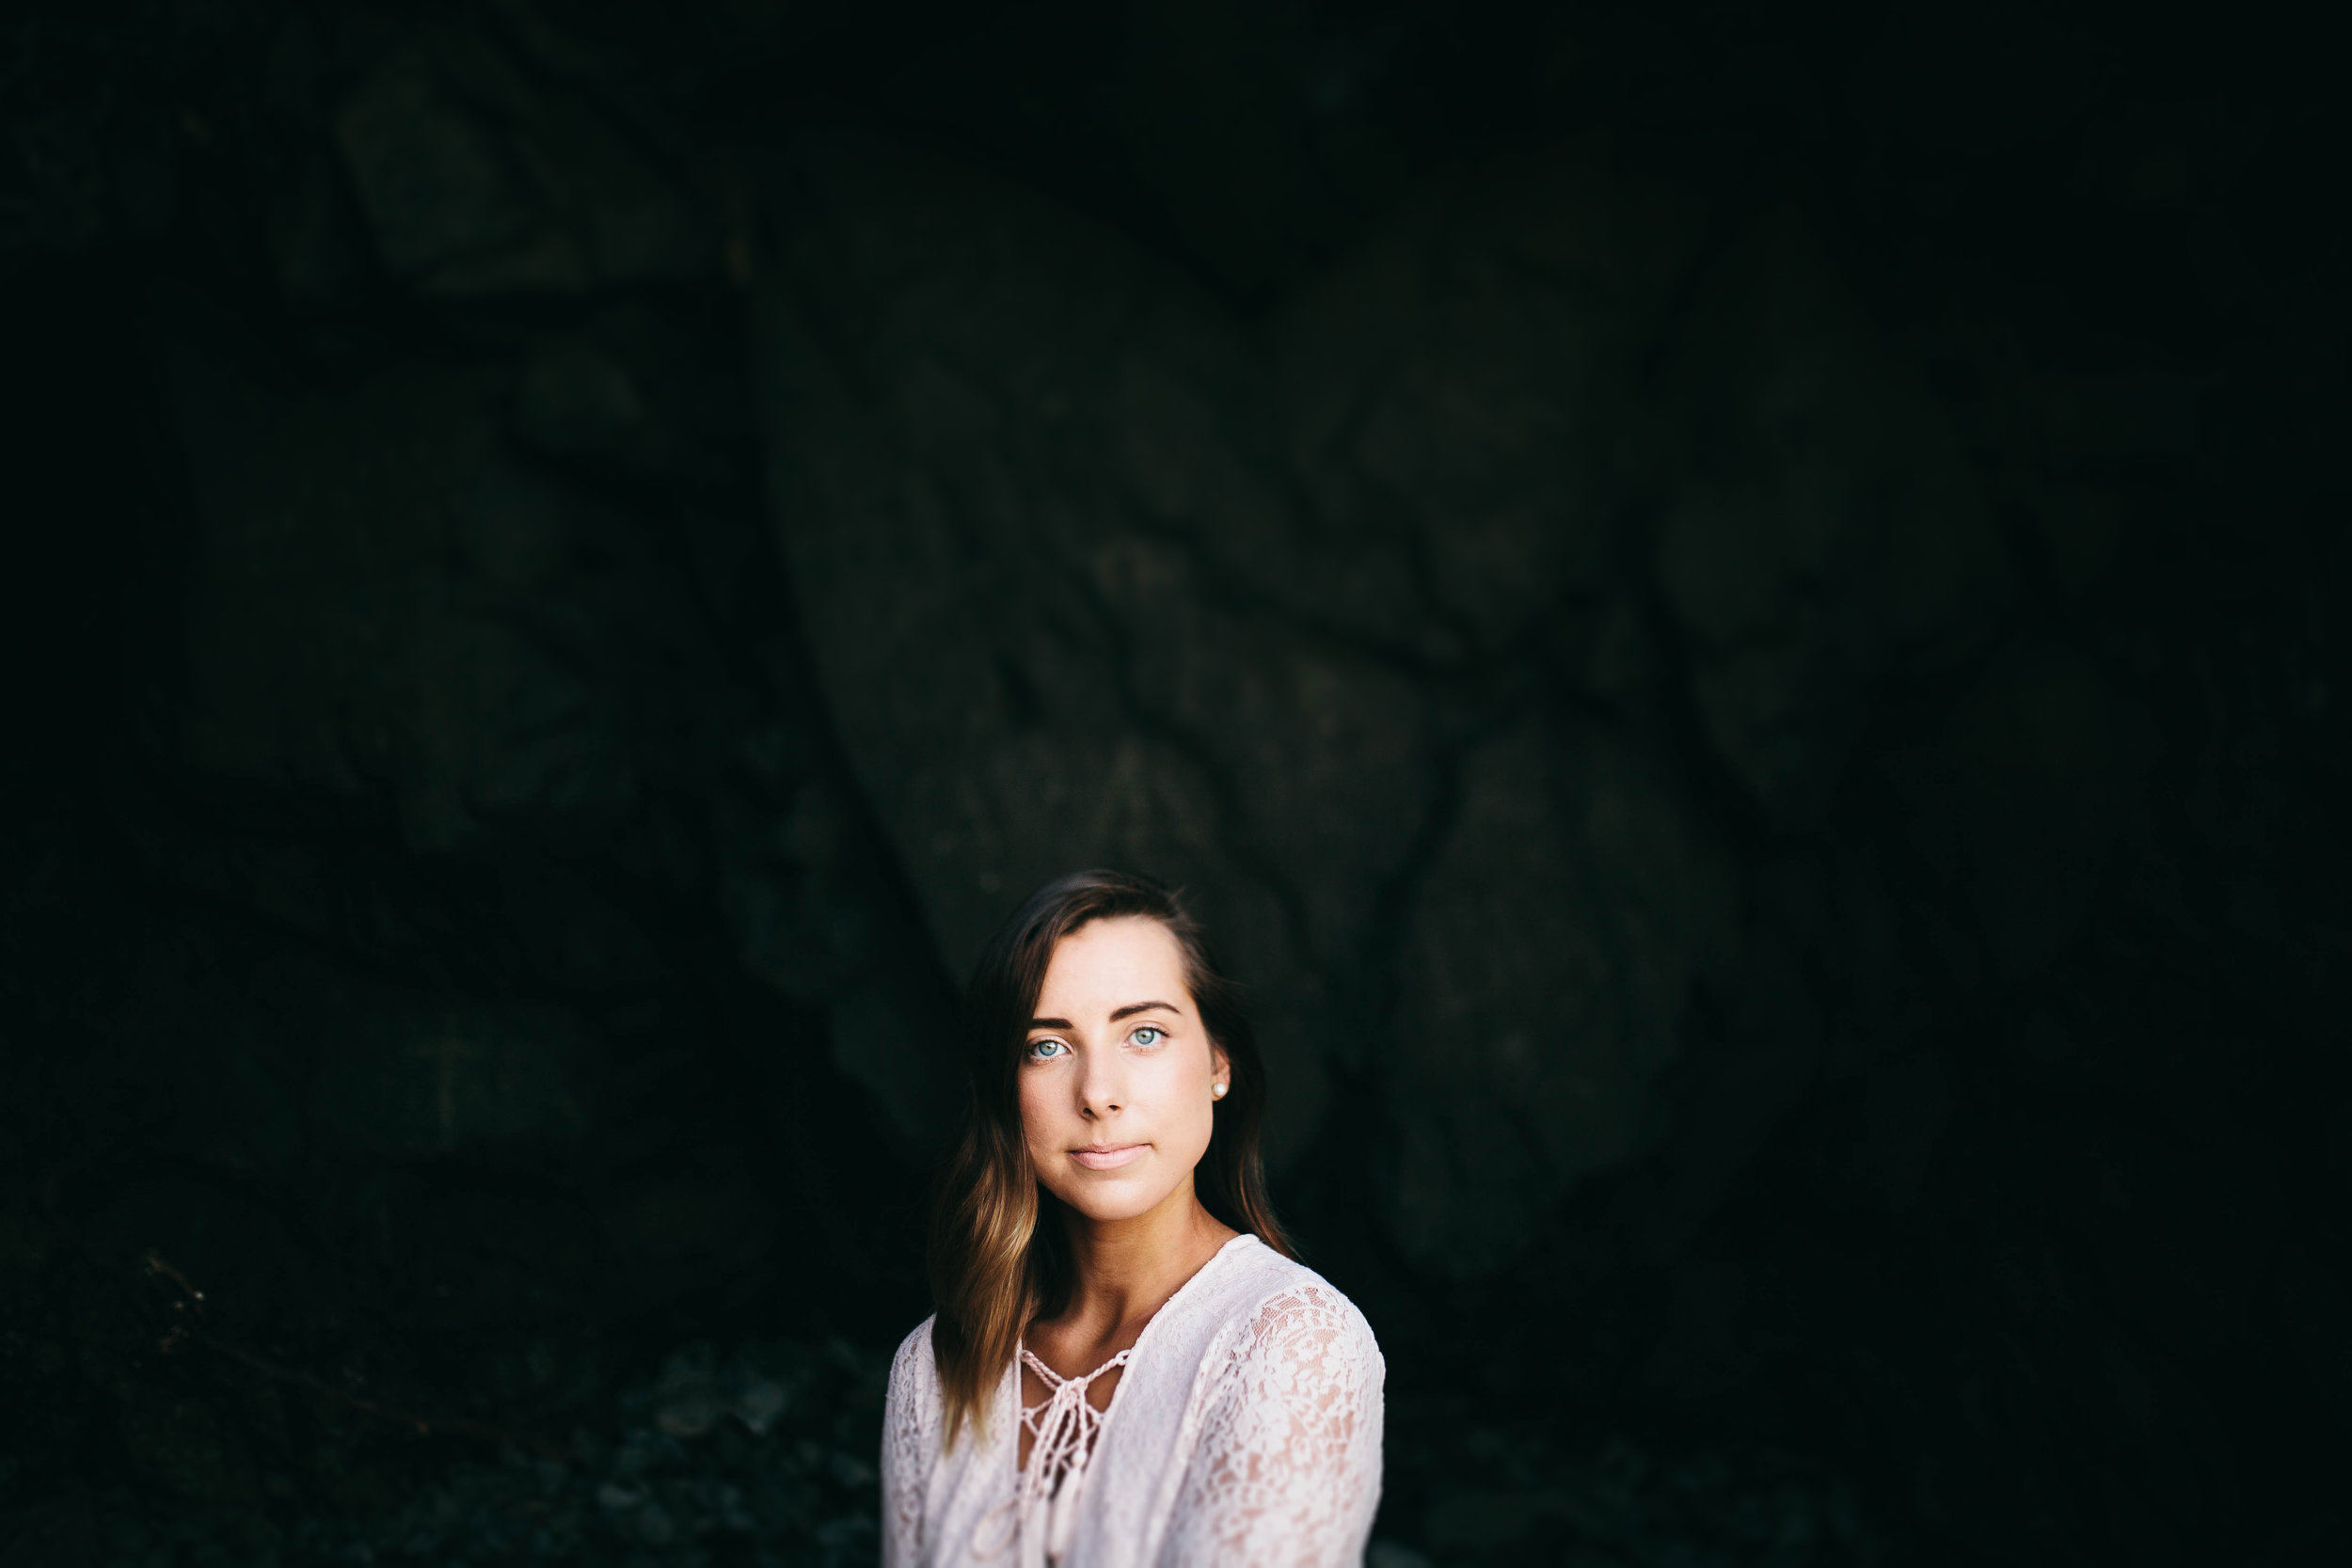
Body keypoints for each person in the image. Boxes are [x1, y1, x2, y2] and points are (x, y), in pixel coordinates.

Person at [881, 870, 1384, 1567]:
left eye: (1143, 1033)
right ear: (1006, 1086)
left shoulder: (1294, 1342)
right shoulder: (933, 1364)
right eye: (1046, 1045)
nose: (1097, 1093)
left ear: (1218, 1062)